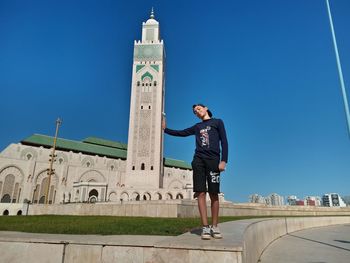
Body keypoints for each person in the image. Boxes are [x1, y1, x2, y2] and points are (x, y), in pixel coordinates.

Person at [162, 104, 228, 240]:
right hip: (198, 160)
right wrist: (165, 129)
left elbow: (224, 142)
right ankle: (205, 226)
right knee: (201, 192)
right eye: (195, 112)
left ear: (205, 108)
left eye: (198, 109)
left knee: (214, 193)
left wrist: (224, 160)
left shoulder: (217, 122)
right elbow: (182, 132)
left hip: (214, 161)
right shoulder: (197, 127)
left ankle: (215, 226)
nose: (197, 112)